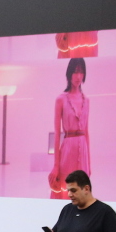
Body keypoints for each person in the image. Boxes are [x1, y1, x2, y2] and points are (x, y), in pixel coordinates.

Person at [48, 57, 91, 195]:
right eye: (75, 71)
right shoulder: (61, 99)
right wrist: (55, 165)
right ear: (69, 74)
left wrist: (89, 163)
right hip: (67, 150)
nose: (78, 76)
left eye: (81, 71)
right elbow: (57, 133)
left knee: (81, 193)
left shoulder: (87, 100)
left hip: (82, 150)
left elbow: (86, 131)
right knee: (65, 189)